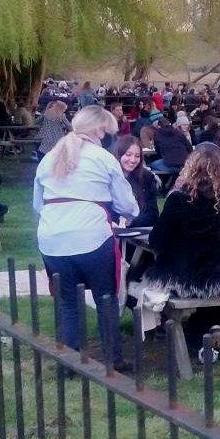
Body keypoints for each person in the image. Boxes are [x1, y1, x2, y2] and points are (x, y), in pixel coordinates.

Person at [33, 105, 138, 371]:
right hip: (92, 236)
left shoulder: (49, 158)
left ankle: (70, 361)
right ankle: (113, 359)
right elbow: (128, 206)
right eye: (106, 132)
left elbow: (38, 204)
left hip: (52, 238)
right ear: (99, 130)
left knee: (68, 301)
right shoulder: (102, 158)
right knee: (106, 298)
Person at [142, 143, 220, 301]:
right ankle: (210, 323)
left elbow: (157, 238)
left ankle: (165, 323)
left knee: (145, 268)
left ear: (189, 167)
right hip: (215, 270)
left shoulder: (177, 198)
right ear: (219, 170)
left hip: (182, 272)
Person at [112, 136, 159, 228]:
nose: (133, 160)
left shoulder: (147, 177)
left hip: (138, 231)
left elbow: (153, 214)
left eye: (137, 156)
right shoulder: (109, 177)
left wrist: (132, 222)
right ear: (119, 154)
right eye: (128, 155)